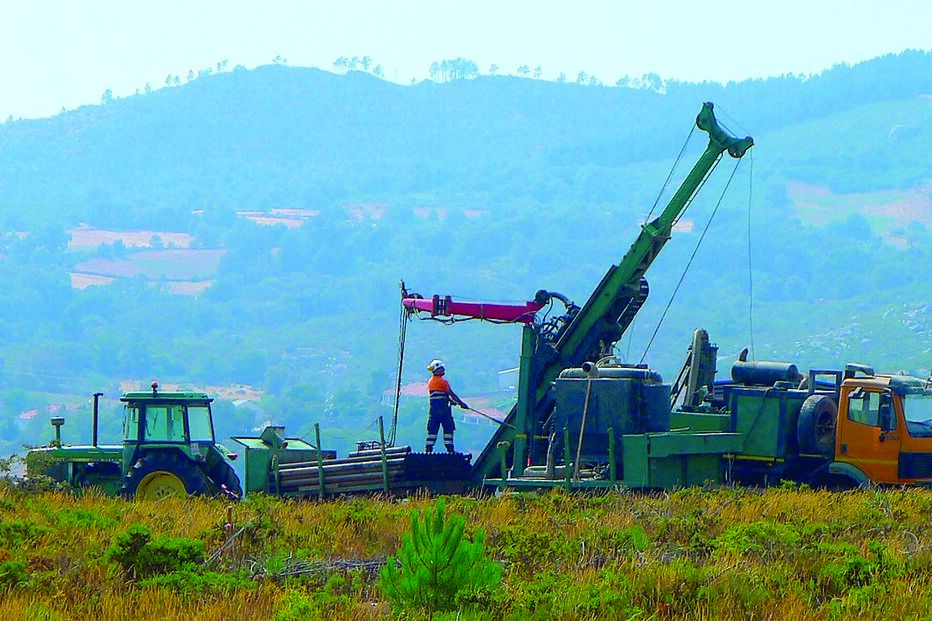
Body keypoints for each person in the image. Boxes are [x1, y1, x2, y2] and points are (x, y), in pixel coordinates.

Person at [425, 359, 467, 453]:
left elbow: (439, 395)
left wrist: (450, 400)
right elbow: (451, 394)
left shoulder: (431, 381)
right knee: (448, 428)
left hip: (434, 411)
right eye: (442, 368)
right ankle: (450, 449)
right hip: (443, 411)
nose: (444, 369)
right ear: (437, 369)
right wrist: (462, 404)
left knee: (432, 430)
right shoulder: (443, 382)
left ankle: (428, 448)